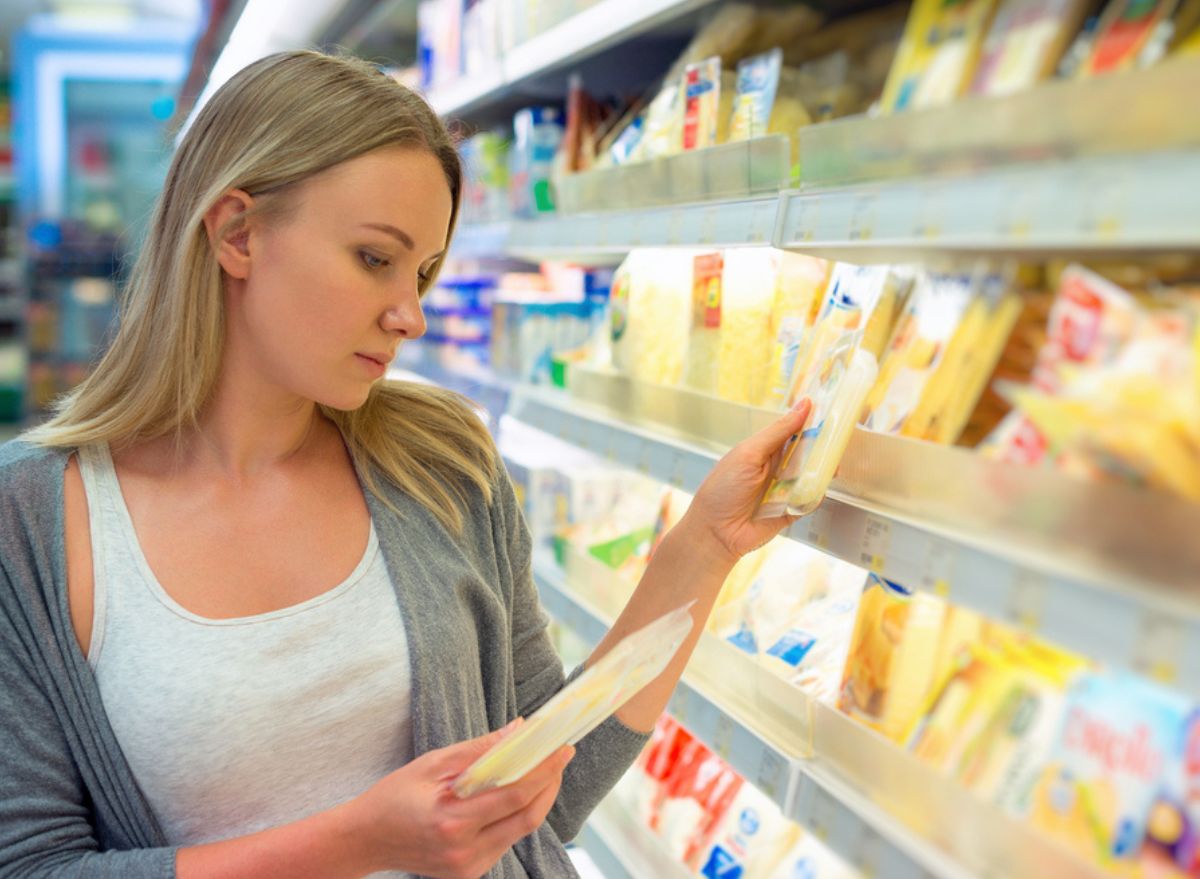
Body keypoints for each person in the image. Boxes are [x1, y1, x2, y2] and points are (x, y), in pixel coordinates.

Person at [0, 50, 811, 878]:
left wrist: (703, 545)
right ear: (237, 232)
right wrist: (363, 838)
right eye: (375, 259)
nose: (410, 315)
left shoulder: (438, 464)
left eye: (424, 272)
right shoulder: (32, 516)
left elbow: (546, 794)